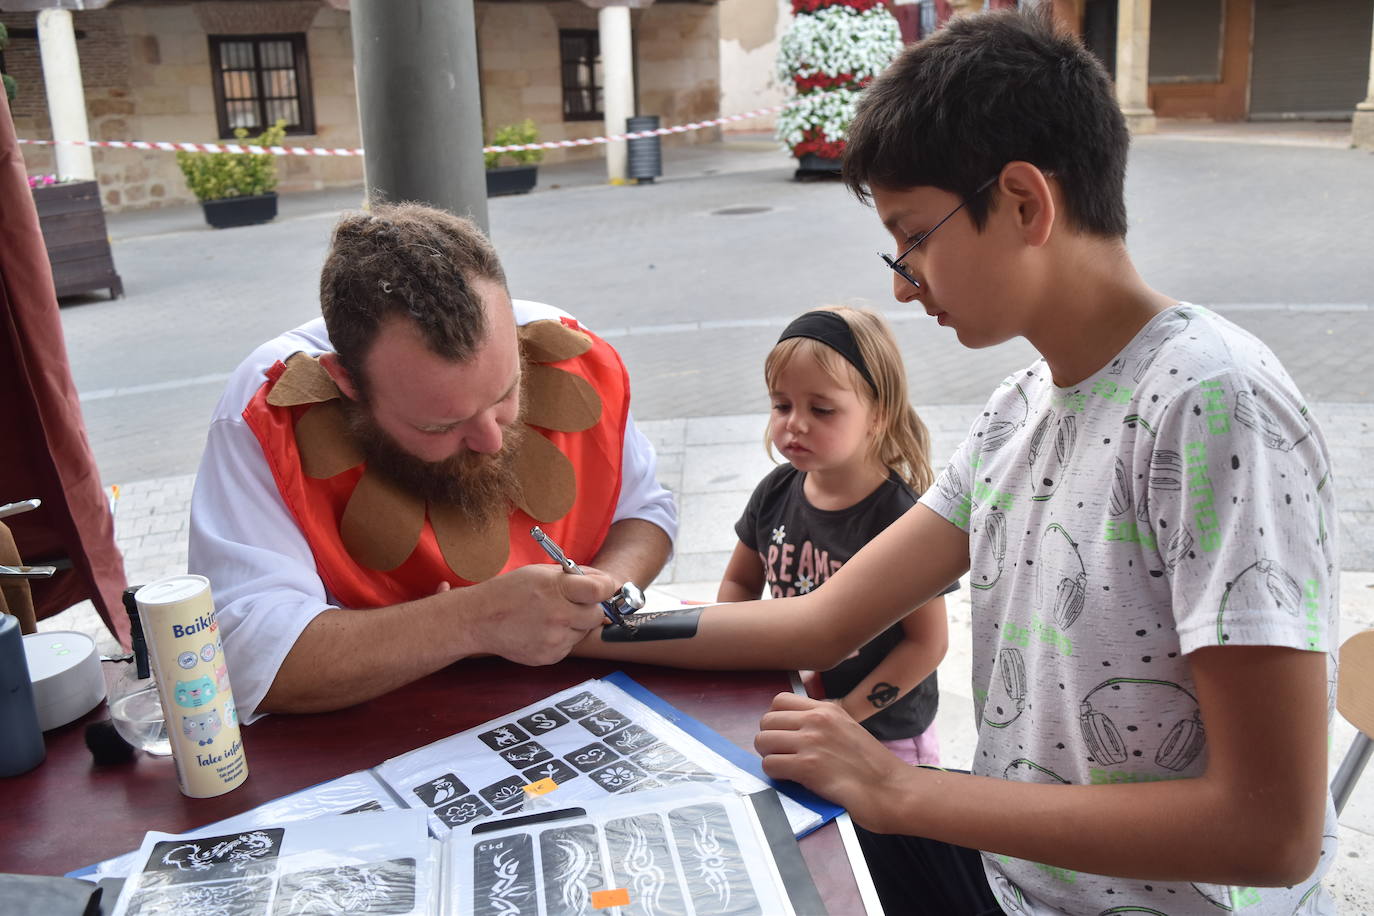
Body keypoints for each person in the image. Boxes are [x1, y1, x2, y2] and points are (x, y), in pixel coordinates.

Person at [576, 10, 1339, 915]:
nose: (902, 282)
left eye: (915, 237)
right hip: (1013, 878)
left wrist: (900, 790)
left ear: (1024, 203)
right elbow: (818, 624)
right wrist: (576, 626)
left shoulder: (1214, 408)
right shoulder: (1017, 410)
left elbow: (1272, 831)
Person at [189, 202, 676, 724]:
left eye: (506, 393)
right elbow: (241, 659)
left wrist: (600, 594)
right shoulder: (270, 414)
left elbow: (645, 512)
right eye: (440, 426)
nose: (491, 440)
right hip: (376, 738)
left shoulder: (565, 352)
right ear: (346, 382)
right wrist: (471, 621)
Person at [719, 305, 951, 765]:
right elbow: (740, 583)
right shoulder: (774, 492)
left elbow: (927, 642)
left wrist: (847, 714)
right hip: (795, 709)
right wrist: (739, 659)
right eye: (781, 405)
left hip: (884, 736)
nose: (795, 424)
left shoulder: (903, 517)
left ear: (878, 415)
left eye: (821, 409)